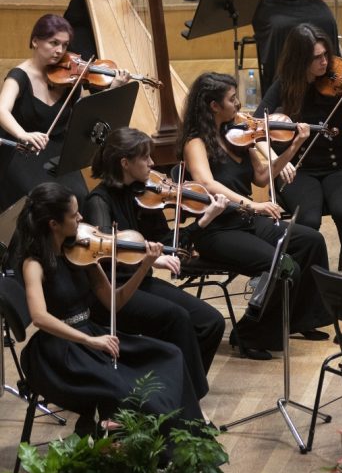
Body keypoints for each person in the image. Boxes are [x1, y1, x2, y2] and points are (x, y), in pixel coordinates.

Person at [12, 182, 204, 435]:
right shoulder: (34, 264)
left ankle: (189, 437)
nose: (81, 218)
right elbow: (39, 318)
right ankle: (126, 446)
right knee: (128, 390)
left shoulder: (82, 254)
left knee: (169, 356)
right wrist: (90, 341)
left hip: (92, 338)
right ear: (53, 224)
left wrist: (145, 265)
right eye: (74, 214)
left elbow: (114, 302)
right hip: (58, 352)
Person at [179, 72, 331, 360]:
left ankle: (301, 319)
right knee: (283, 266)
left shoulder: (240, 134)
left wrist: (295, 146)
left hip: (245, 223)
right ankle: (248, 333)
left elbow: (263, 177)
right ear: (213, 105)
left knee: (310, 240)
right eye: (232, 99)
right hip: (217, 230)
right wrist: (253, 207)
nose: (239, 104)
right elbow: (207, 184)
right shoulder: (195, 142)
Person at [82, 128, 228, 398]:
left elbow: (169, 241)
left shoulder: (139, 194)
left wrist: (204, 219)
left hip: (140, 282)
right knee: (178, 319)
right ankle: (182, 402)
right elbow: (104, 255)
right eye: (145, 158)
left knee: (211, 322)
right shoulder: (98, 202)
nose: (152, 163)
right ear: (125, 163)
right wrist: (149, 259)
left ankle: (181, 396)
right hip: (114, 292)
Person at [255, 23, 342, 281]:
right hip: (300, 171)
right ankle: (308, 280)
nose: (325, 62)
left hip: (340, 166)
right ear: (300, 58)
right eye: (317, 58)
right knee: (309, 222)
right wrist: (278, 160)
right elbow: (256, 128)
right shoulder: (284, 85)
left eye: (326, 54)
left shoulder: (340, 84)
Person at [0, 15, 130, 211]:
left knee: (80, 198)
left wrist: (115, 87)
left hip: (59, 152)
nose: (60, 51)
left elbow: (87, 110)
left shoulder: (71, 77)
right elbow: (2, 110)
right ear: (35, 41)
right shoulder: (19, 76)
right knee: (43, 202)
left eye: (64, 44)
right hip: (23, 151)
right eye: (53, 43)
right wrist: (23, 134)